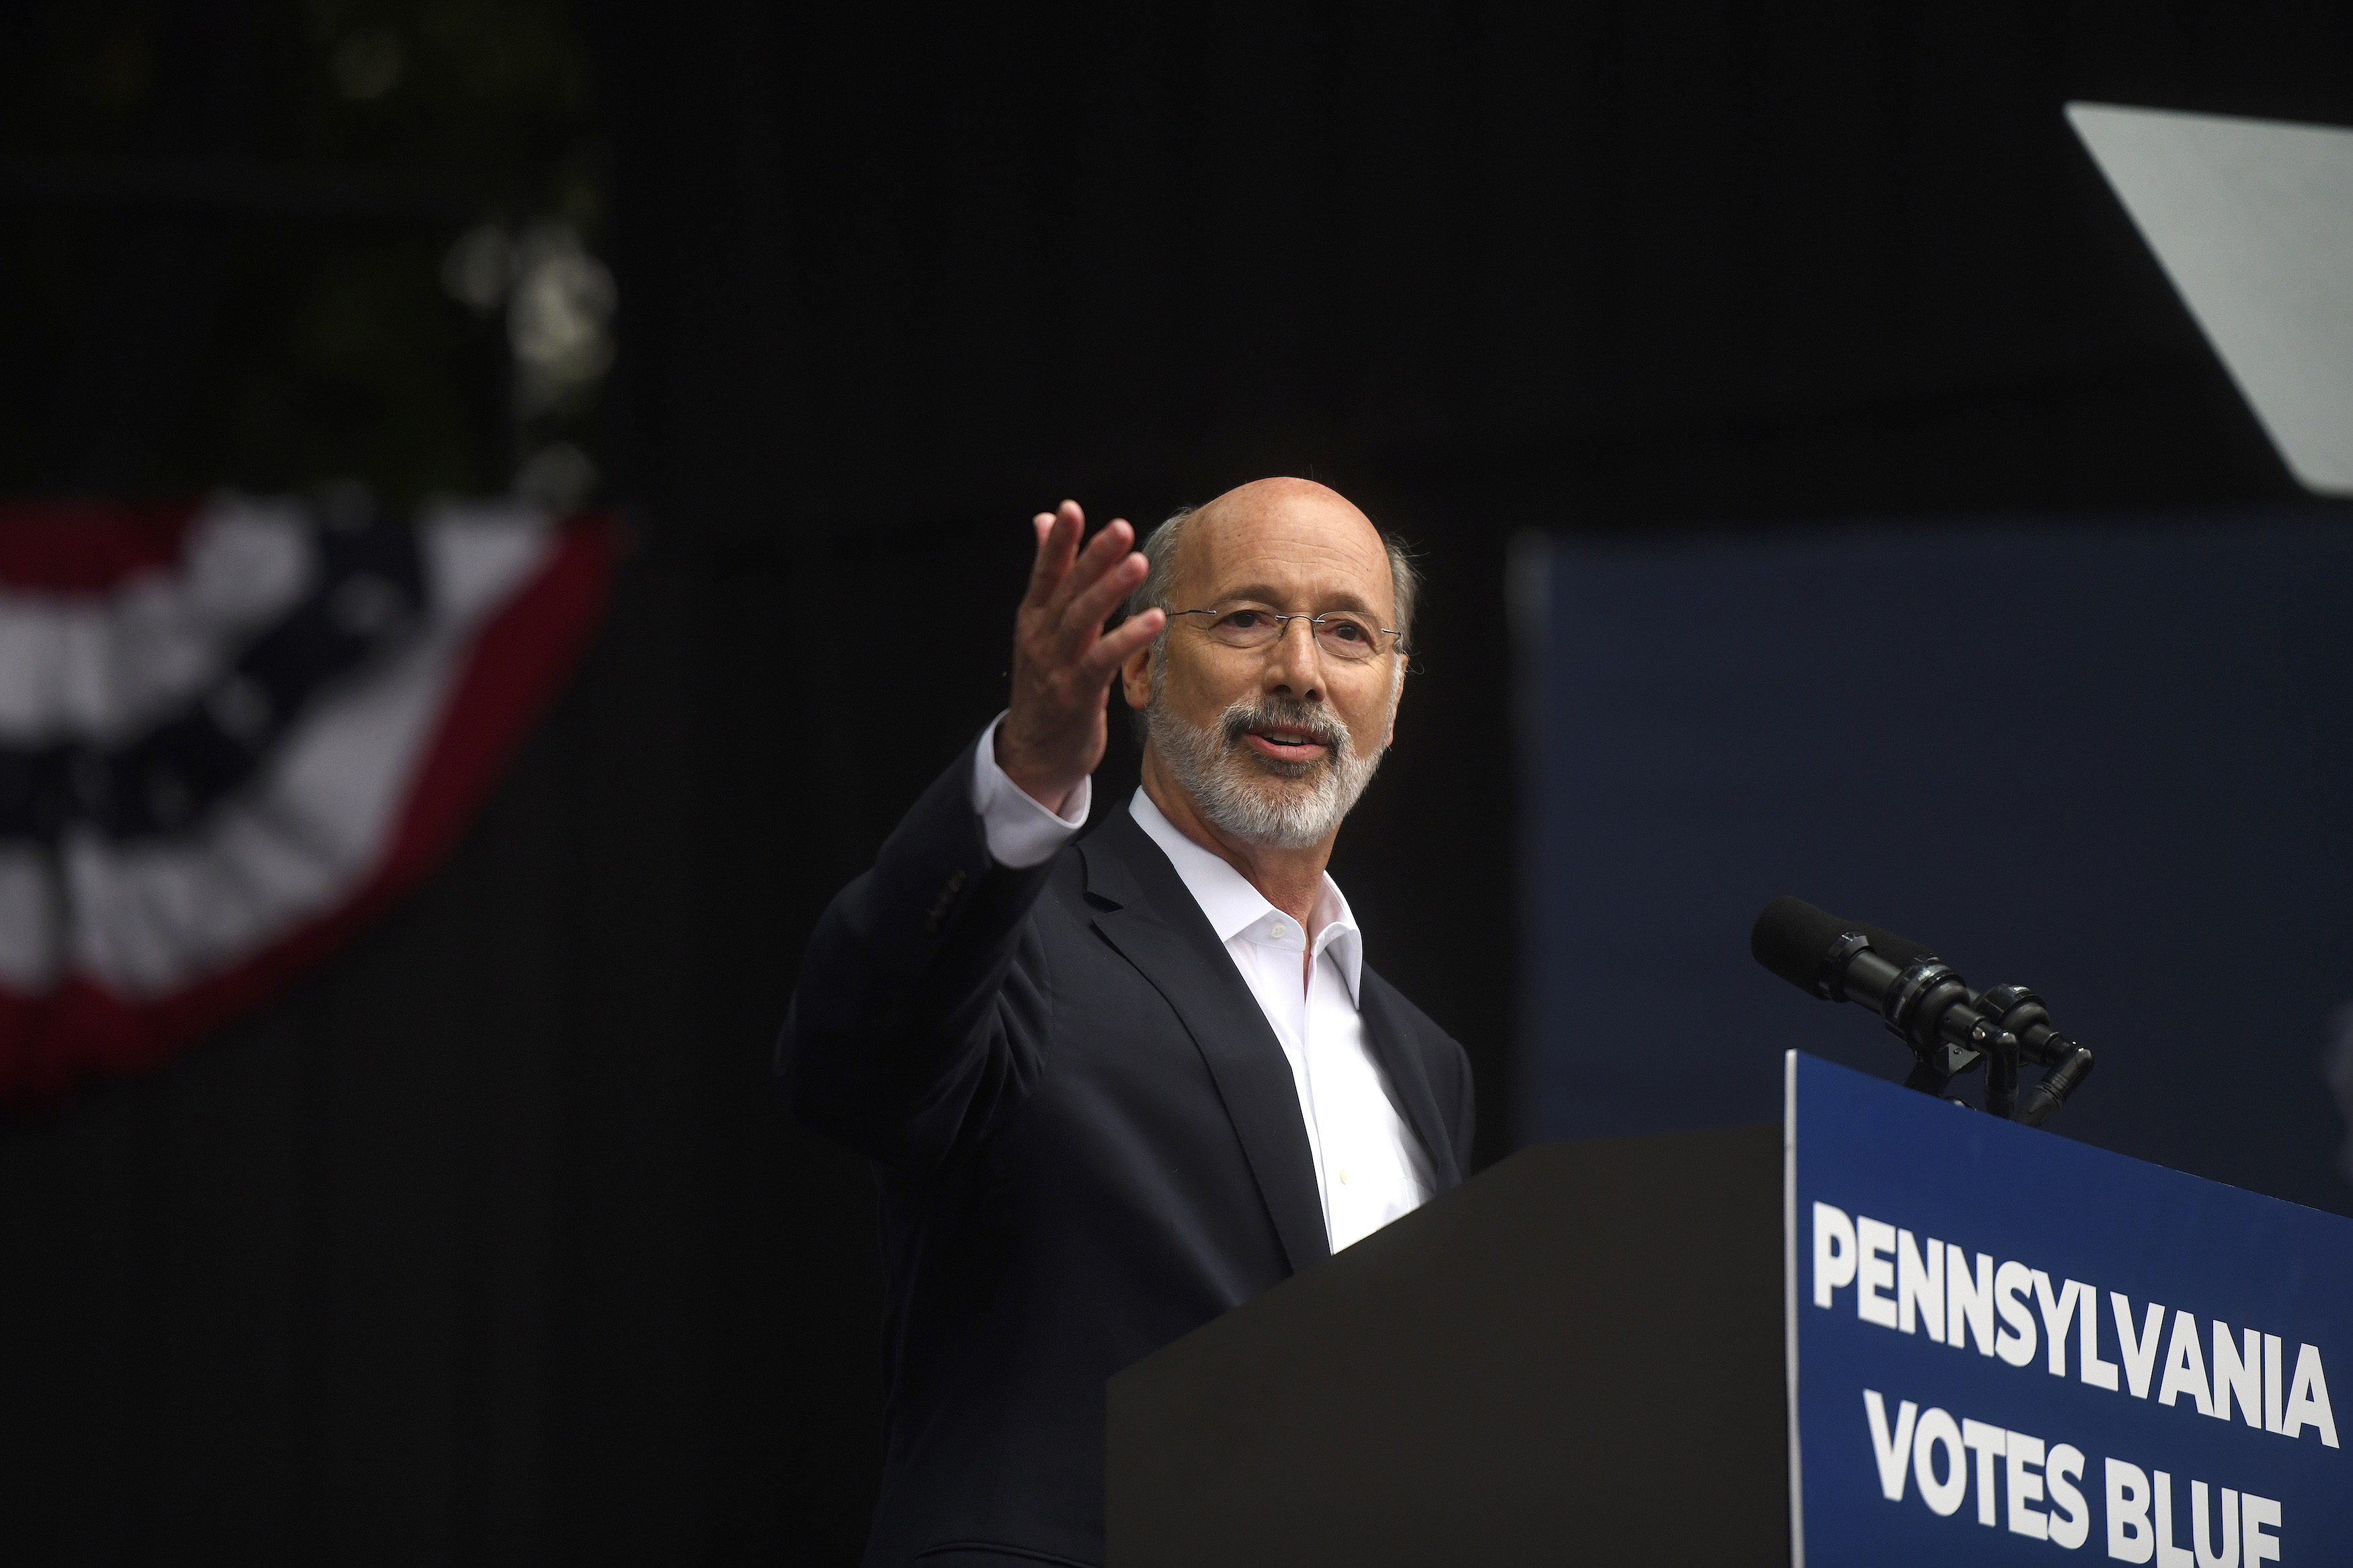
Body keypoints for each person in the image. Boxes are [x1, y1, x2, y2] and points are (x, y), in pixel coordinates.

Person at [780, 477, 1476, 1568]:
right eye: (1247, 618)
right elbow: (848, 1057)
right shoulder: (1018, 939)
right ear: (1142, 665)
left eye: (1347, 632)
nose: (1299, 670)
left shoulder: (1427, 1062)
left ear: (1392, 689)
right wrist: (1022, 780)